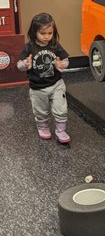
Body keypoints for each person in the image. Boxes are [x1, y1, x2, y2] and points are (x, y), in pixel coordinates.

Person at [17, 13, 71, 143]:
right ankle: (43, 127)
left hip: (56, 84)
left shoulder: (55, 45)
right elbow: (19, 65)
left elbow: (66, 60)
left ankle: (61, 130)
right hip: (37, 88)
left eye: (50, 33)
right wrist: (25, 64)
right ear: (34, 31)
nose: (47, 37)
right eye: (43, 33)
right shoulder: (29, 47)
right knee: (41, 111)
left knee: (61, 108)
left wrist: (63, 64)